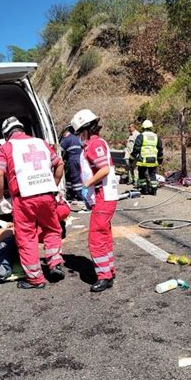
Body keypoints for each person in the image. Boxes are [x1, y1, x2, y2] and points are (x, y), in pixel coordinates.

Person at [0, 116, 65, 289]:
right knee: (52, 229)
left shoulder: (5, 148)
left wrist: (1, 197)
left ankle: (35, 278)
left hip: (24, 198)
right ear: (21, 129)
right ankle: (55, 263)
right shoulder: (41, 142)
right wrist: (52, 185)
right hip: (47, 195)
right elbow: (60, 164)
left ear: (6, 134)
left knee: (26, 237)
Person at [71, 108, 119, 292]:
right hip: (103, 196)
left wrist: (86, 185)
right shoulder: (93, 144)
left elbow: (104, 169)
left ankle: (104, 276)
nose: (79, 137)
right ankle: (109, 270)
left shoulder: (94, 144)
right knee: (104, 236)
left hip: (103, 196)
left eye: (80, 133)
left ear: (85, 130)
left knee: (96, 238)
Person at [132, 119, 163, 195]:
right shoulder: (156, 136)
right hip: (153, 160)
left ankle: (144, 189)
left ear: (143, 128)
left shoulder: (141, 136)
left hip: (143, 160)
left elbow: (136, 148)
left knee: (142, 174)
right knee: (152, 174)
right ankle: (154, 190)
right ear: (151, 127)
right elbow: (160, 149)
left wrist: (132, 158)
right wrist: (160, 159)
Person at [60, 126, 83, 201]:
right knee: (71, 177)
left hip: (72, 159)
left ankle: (79, 195)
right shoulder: (76, 138)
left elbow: (60, 150)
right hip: (80, 158)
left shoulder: (66, 139)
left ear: (65, 134)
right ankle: (72, 193)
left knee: (74, 177)